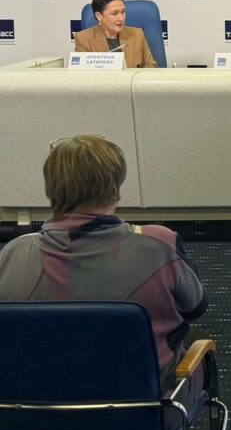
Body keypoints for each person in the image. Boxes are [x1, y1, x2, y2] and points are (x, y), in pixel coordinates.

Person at [0, 135, 207, 393]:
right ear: (116, 188)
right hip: (138, 408)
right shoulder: (159, 244)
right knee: (194, 337)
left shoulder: (12, 254)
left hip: (33, 406)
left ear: (51, 190)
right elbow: (195, 307)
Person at [74, 0, 157, 68]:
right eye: (114, 13)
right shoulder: (83, 39)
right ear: (99, 16)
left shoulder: (137, 34)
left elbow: (150, 66)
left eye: (123, 12)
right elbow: (82, 74)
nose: (121, 18)